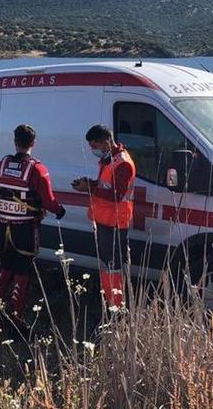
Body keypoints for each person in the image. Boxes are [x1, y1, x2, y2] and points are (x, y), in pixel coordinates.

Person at [0, 124, 66, 321]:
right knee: (22, 272)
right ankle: (16, 317)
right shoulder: (37, 170)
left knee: (6, 267)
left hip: (1, 228)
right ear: (33, 143)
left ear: (14, 141)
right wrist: (60, 211)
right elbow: (49, 201)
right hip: (24, 230)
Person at [72, 124, 136, 309]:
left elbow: (116, 194)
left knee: (114, 266)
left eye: (95, 146)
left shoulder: (122, 163)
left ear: (107, 141)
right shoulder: (108, 160)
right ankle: (109, 302)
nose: (93, 151)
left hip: (115, 222)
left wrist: (90, 188)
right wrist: (89, 183)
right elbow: (104, 185)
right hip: (103, 219)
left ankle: (116, 308)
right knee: (107, 265)